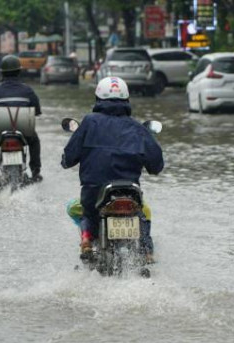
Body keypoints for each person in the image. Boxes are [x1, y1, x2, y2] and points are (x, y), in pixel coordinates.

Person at [61, 77, 164, 262]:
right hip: (130, 192)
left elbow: (69, 158)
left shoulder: (89, 122)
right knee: (141, 214)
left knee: (88, 213)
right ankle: (147, 252)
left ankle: (86, 241)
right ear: (126, 100)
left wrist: (67, 160)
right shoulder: (137, 127)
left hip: (94, 190)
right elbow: (156, 165)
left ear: (98, 99)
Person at [0, 54, 43, 184]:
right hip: (24, 129)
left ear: (2, 72)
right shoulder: (28, 90)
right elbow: (37, 110)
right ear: (19, 71)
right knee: (34, 142)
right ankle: (36, 172)